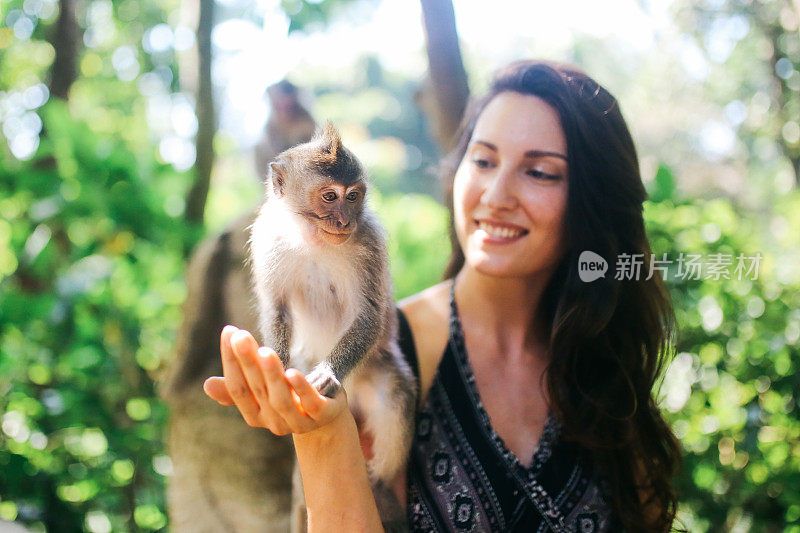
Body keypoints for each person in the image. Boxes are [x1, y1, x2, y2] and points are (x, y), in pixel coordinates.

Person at [203, 60, 682, 532]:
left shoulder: (604, 355)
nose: (496, 195)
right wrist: (323, 434)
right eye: (484, 161)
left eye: (538, 172)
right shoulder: (384, 356)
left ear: (590, 199)